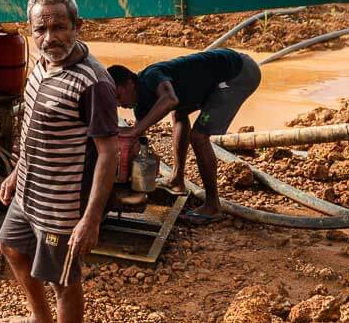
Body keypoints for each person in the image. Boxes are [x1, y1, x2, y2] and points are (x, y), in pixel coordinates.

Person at [0, 0, 119, 323]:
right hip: (30, 188)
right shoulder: (43, 65)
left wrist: (91, 218)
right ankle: (41, 321)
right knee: (11, 245)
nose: (51, 38)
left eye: (60, 27)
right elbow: (31, 128)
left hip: (61, 203)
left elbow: (108, 154)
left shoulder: (94, 82)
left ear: (77, 27)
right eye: (41, 29)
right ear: (31, 32)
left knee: (64, 280)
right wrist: (16, 172)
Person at [108, 49, 261, 224]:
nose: (120, 104)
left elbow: (170, 100)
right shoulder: (140, 106)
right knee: (179, 115)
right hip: (214, 79)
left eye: (119, 96)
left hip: (238, 73)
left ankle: (213, 206)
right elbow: (136, 141)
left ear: (130, 83)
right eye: (116, 102)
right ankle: (177, 180)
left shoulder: (151, 76)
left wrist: (134, 131)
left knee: (199, 137)